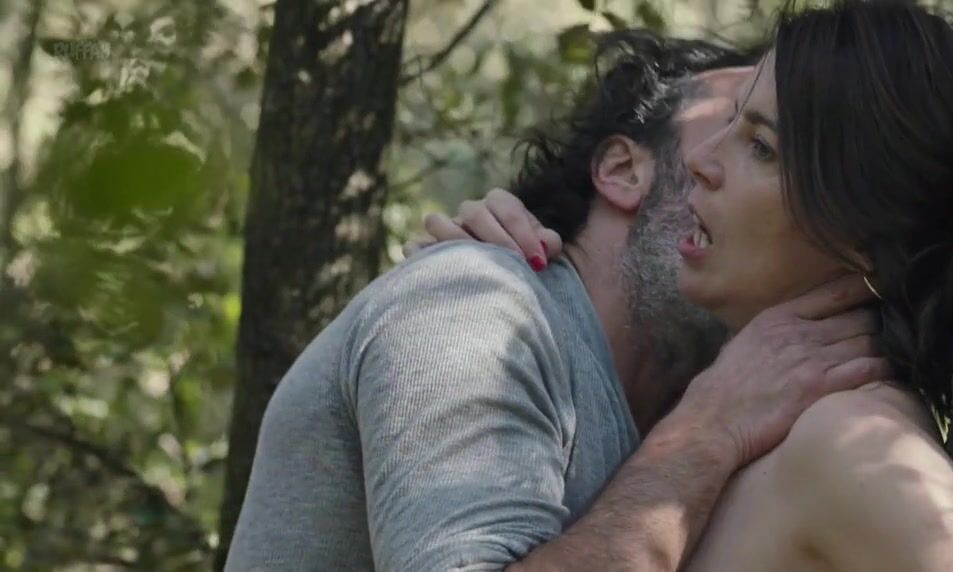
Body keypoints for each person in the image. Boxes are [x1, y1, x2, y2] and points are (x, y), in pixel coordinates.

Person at [225, 31, 893, 571]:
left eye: (763, 148)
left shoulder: (716, 409)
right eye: (735, 125)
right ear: (623, 170)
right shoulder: (474, 306)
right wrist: (707, 434)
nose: (713, 161)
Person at [416, 1, 953, 570]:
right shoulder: (747, 426)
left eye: (760, 146)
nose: (699, 160)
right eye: (730, 120)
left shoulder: (848, 442)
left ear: (864, 232)